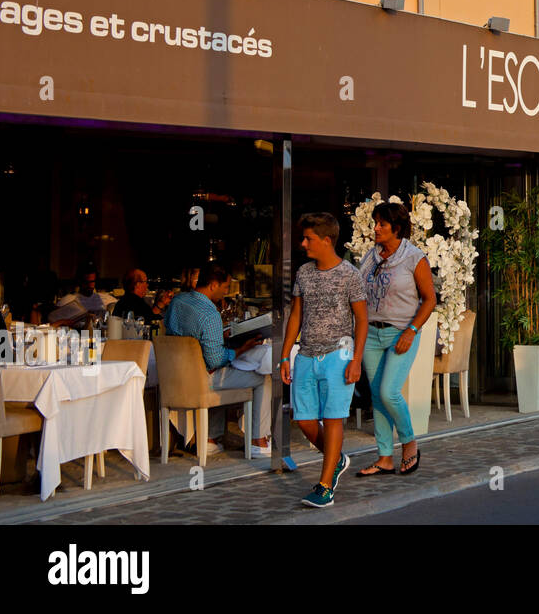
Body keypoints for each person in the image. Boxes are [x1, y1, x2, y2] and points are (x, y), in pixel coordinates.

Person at [281, 213, 368, 509]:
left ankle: (325, 485)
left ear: (327, 241)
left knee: (332, 419)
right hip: (305, 354)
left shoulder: (350, 274)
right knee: (304, 420)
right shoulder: (304, 272)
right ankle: (337, 459)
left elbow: (362, 320)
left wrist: (356, 360)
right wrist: (285, 354)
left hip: (339, 354)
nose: (303, 243)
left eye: (309, 239)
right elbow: (296, 315)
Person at [356, 202, 437, 477]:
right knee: (377, 396)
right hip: (371, 334)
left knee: (389, 391)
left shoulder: (414, 258)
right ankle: (384, 457)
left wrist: (411, 331)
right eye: (375, 222)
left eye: (382, 224)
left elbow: (430, 300)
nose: (376, 228)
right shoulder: (371, 256)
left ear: (397, 228)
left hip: (401, 332)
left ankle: (409, 441)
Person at [164, 263, 272, 457]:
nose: (225, 292)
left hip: (176, 375)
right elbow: (215, 361)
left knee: (223, 371)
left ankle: (209, 438)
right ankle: (259, 440)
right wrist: (240, 349)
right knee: (263, 377)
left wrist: (219, 337)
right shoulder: (209, 314)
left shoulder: (177, 302)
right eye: (225, 287)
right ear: (213, 285)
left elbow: (184, 337)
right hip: (201, 379)